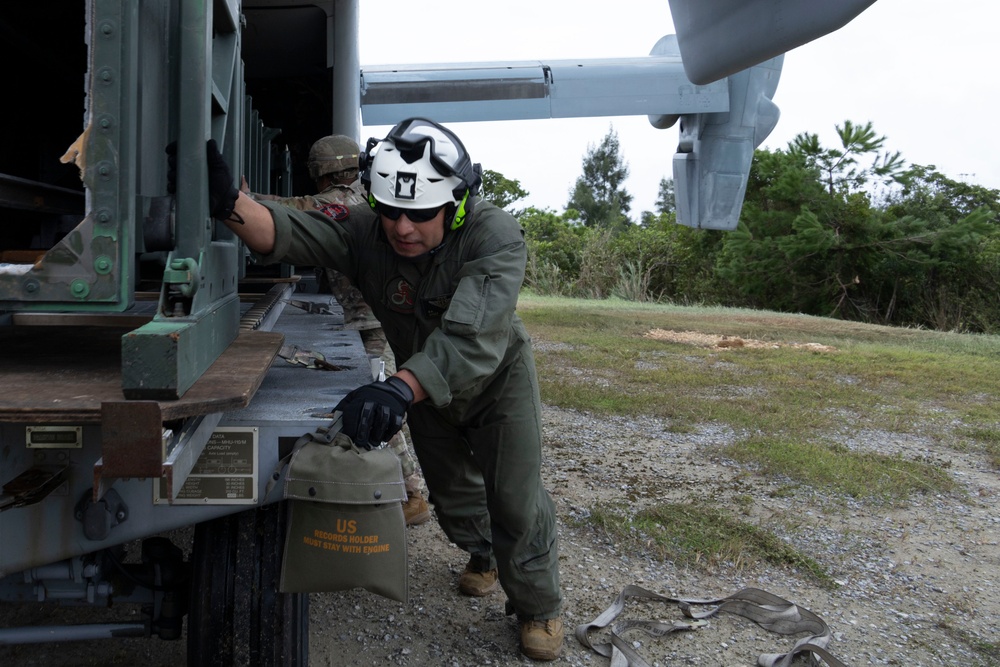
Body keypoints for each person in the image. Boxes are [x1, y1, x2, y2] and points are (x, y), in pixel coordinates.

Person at [177, 119, 564, 661]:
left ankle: (538, 605)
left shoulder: (493, 235)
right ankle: (484, 554)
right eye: (390, 210)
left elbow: (472, 337)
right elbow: (289, 231)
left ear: (454, 206)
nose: (402, 228)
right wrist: (228, 203)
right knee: (454, 497)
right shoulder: (365, 230)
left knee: (516, 500)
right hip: (420, 389)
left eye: (420, 214)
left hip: (497, 384)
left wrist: (399, 389)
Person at [242, 135, 431, 527]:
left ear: (323, 171)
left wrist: (243, 199)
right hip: (375, 318)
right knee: (374, 396)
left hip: (371, 323)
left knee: (377, 400)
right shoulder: (368, 195)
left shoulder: (344, 199)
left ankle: (412, 494)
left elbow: (294, 209)